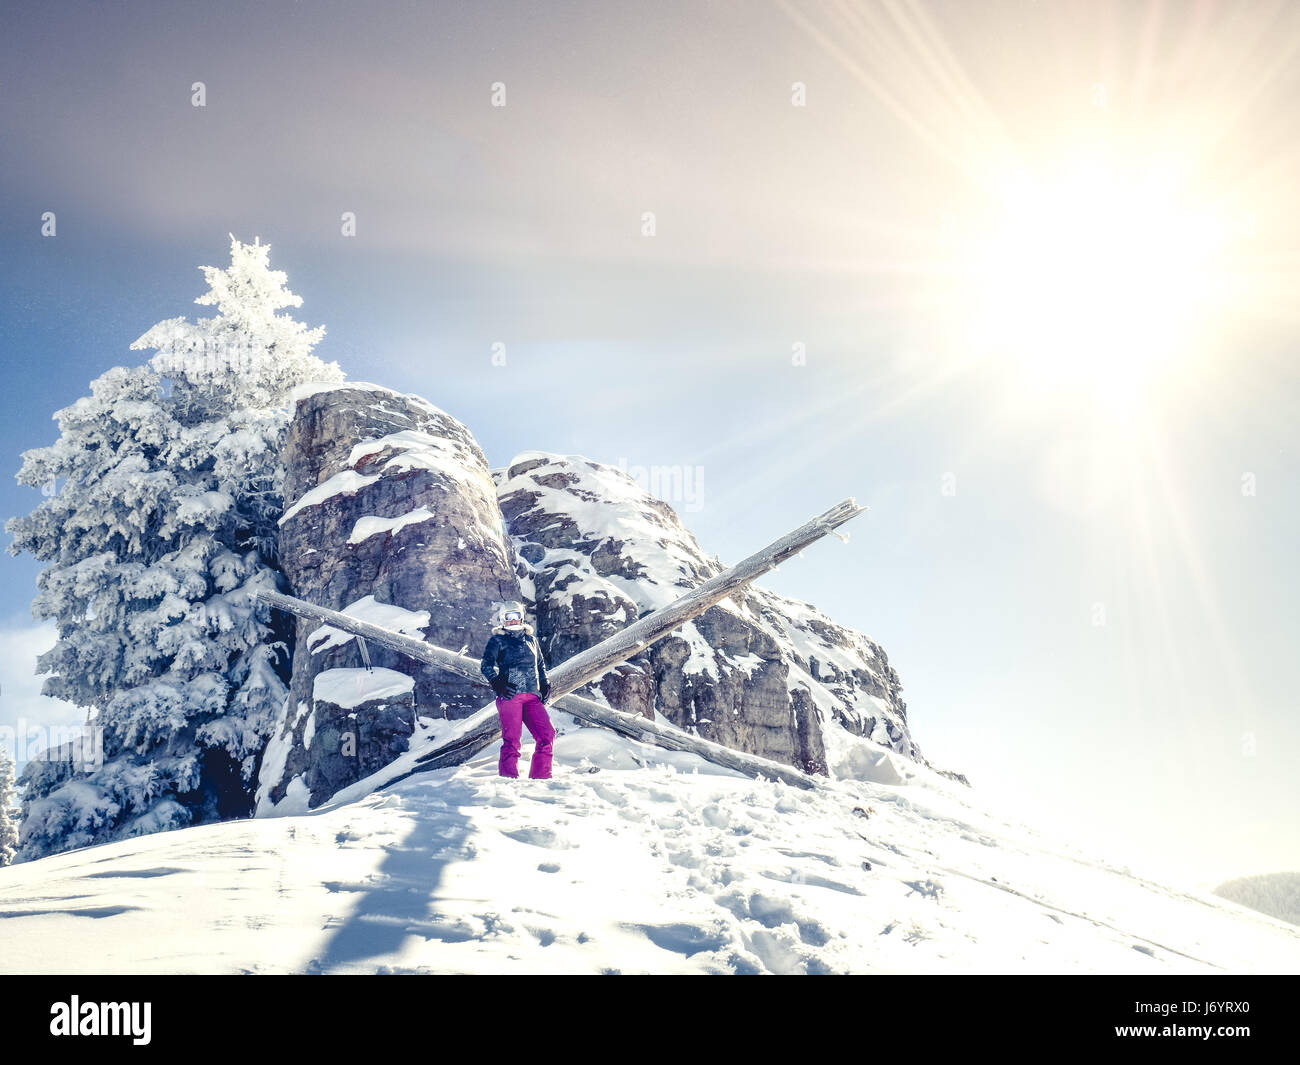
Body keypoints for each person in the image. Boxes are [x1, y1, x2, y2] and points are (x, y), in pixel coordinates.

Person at [479, 601, 555, 779]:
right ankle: (508, 778)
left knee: (547, 735)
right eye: (508, 617)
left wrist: (545, 684)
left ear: (521, 616)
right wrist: (497, 683)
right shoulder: (497, 640)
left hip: (532, 696)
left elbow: (540, 665)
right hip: (510, 696)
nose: (512, 620)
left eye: (515, 616)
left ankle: (541, 778)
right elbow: (486, 665)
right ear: (502, 619)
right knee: (512, 740)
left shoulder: (531, 640)